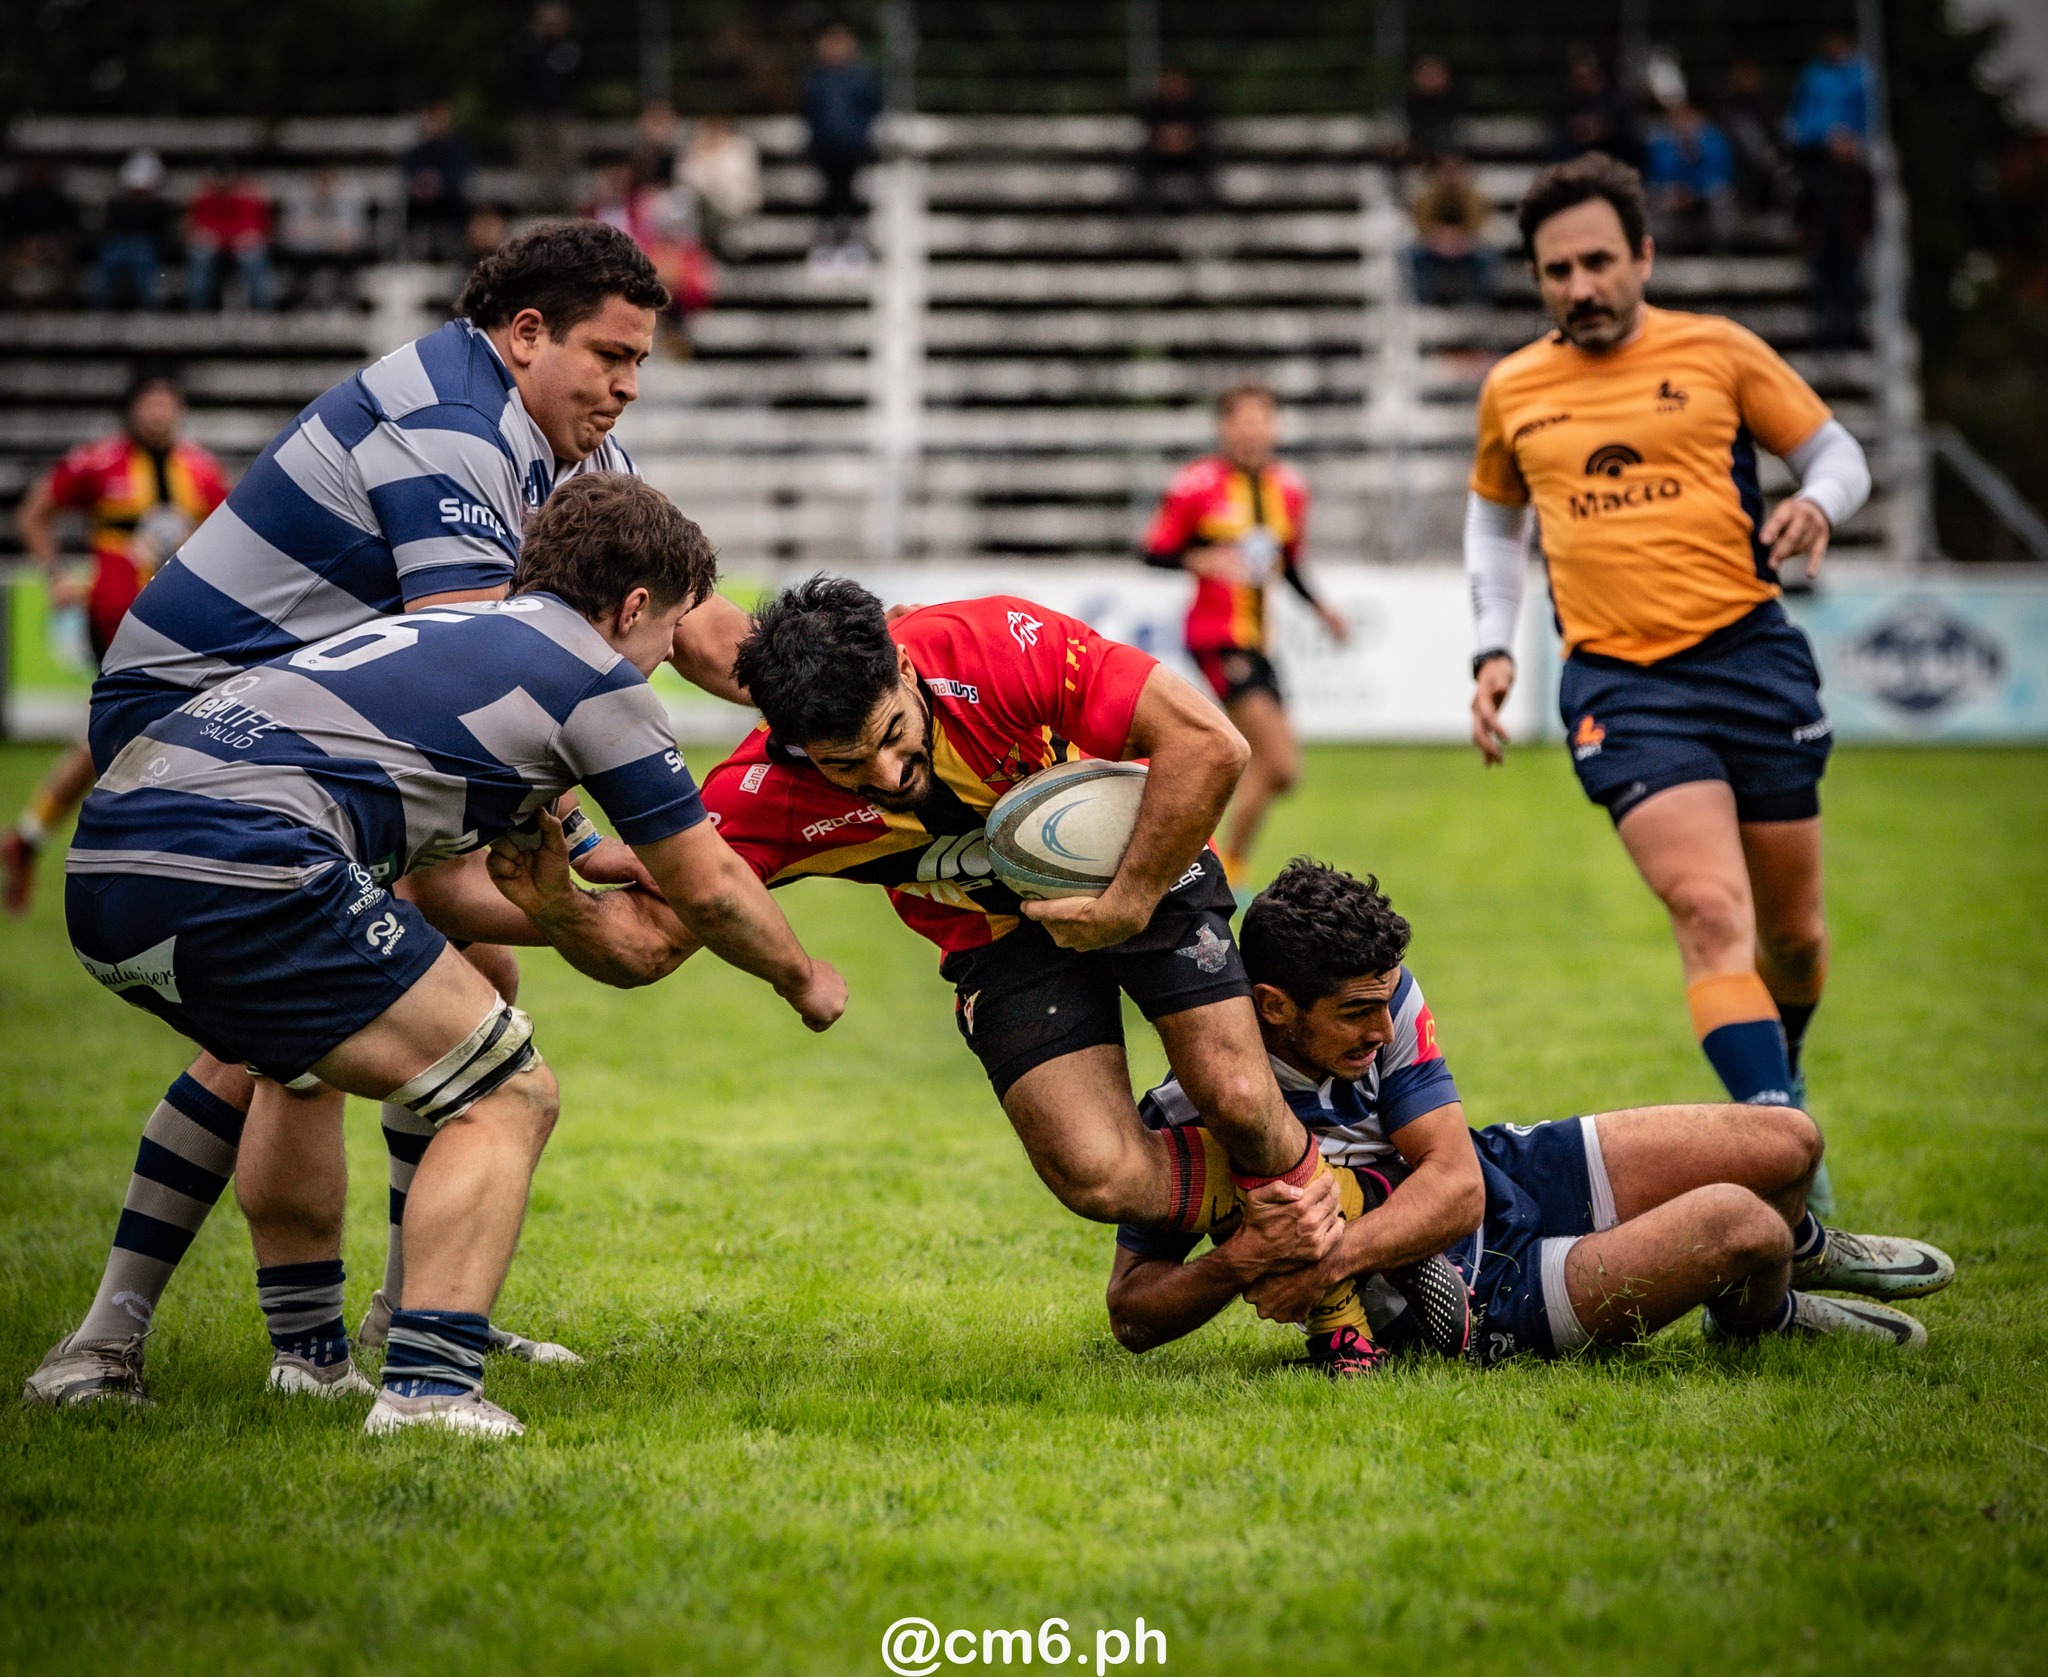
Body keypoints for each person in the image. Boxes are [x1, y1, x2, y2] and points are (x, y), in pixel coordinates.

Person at [24, 220, 759, 1408]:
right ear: (525, 335)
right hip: (208, 741)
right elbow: (502, 680)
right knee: (289, 1043)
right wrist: (577, 861)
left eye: (640, 361)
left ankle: (392, 1317)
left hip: (312, 742)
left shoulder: (565, 441)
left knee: (450, 998)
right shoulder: (449, 428)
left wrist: (838, 694)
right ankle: (136, 1345)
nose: (627, 385)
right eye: (609, 356)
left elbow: (684, 618)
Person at [59, 473, 846, 1437]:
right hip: (250, 857)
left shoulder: (467, 633)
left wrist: (572, 888)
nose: (665, 658)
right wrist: (804, 978)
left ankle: (279, 1359)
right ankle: (429, 1390)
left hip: (110, 856)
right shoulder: (596, 679)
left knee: (288, 1062)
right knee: (505, 1085)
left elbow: (452, 886)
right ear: (635, 606)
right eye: (672, 630)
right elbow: (713, 888)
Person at [507, 579, 1372, 1369]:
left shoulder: (993, 645)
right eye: (847, 764)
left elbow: (1211, 743)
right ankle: (1316, 1204)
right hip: (999, 940)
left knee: (1235, 1091)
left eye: (892, 733)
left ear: (906, 665)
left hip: (1136, 854)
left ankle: (1337, 1287)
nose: (886, 774)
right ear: (794, 745)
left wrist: (1129, 897)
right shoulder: (765, 793)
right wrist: (558, 905)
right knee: (1097, 1173)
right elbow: (650, 945)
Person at [1464, 155, 1874, 1216]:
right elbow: (1493, 523)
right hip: (1619, 682)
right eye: (1556, 270)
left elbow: (1836, 453)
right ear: (1537, 278)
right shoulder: (1512, 387)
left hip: (1750, 657)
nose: (1579, 285)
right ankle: (1790, 1151)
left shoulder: (1719, 349)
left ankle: (1776, 1085)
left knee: (1793, 935)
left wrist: (1819, 506)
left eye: (1599, 261)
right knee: (1704, 909)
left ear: (1642, 256)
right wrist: (1489, 648)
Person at [1108, 862, 1953, 1366]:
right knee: (1740, 1224)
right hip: (1481, 1296)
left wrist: (1328, 1260)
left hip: (1495, 1176)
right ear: (1274, 1006)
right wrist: (1239, 1264)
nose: (1382, 1025)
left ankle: (1798, 1259)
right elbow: (1133, 1311)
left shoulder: (1386, 994)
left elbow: (1459, 1185)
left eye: (1384, 1001)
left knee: (1787, 1143)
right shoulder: (1192, 1106)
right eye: (1356, 1012)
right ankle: (1763, 1316)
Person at [4, 367, 230, 917]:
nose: (157, 412)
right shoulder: (97, 463)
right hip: (115, 623)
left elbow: (229, 541)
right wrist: (55, 572)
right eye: (148, 402)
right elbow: (35, 514)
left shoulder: (199, 472)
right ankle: (160, 874)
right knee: (150, 739)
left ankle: (29, 839)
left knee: (118, 740)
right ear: (132, 409)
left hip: (179, 628)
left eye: (166, 403)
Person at [1142, 384, 1349, 889]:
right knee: (1273, 759)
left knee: (1276, 769)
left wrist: (1322, 609)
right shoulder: (1197, 485)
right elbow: (1154, 551)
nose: (1254, 429)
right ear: (1225, 427)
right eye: (1243, 420)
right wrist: (1202, 559)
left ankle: (1219, 868)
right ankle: (1218, 867)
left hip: (1259, 640)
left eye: (1263, 419)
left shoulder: (1290, 489)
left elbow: (1289, 563)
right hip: (1217, 637)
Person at [802, 22, 882, 263]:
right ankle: (826, 246)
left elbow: (873, 107)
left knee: (851, 196)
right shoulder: (817, 79)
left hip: (853, 148)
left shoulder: (860, 77)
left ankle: (852, 244)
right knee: (827, 197)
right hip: (824, 149)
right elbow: (807, 110)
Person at [1795, 128, 1874, 349]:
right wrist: (1809, 236)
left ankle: (1847, 336)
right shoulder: (1819, 175)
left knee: (1848, 292)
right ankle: (1823, 339)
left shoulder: (1861, 176)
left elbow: (1868, 211)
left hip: (1848, 244)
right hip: (1823, 244)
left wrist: (1859, 234)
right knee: (1823, 293)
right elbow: (1804, 208)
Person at [88, 149, 177, 311]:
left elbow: (164, 235)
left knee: (142, 257)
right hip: (119, 245)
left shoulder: (159, 208)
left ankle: (152, 308)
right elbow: (108, 231)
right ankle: (98, 307)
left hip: (147, 247)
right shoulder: (117, 206)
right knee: (110, 257)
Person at [1644, 102, 1737, 254]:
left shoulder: (1714, 139)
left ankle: (1721, 253)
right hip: (1674, 193)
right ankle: (1661, 254)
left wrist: (1697, 191)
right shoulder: (1660, 141)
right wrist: (1676, 190)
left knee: (1722, 198)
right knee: (1654, 200)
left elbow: (1722, 172)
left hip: (1705, 194)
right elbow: (1657, 172)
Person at [183, 161, 275, 311]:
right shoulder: (204, 195)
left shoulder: (249, 194)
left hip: (241, 244)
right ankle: (197, 309)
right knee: (200, 254)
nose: (222, 183)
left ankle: (263, 309)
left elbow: (259, 226)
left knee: (254, 254)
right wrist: (205, 236)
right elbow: (195, 227)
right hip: (214, 244)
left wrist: (246, 237)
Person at [1407, 152, 1495, 304]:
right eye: (1446, 171)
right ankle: (1423, 302)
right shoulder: (1426, 198)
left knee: (1486, 255)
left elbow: (1477, 224)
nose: (1450, 176)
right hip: (1434, 246)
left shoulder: (1475, 197)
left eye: (1454, 171)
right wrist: (1438, 239)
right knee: (1411, 253)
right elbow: (1422, 224)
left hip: (1466, 246)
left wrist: (1459, 240)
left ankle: (1478, 304)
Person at [277, 164, 371, 306]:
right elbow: (291, 233)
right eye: (320, 182)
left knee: (352, 256)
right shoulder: (299, 197)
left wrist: (317, 233)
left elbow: (355, 233)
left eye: (329, 182)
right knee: (295, 257)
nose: (324, 187)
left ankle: (351, 294)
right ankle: (295, 294)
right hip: (307, 251)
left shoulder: (350, 197)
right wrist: (328, 236)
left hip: (339, 251)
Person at [0, 153, 84, 308]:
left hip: (54, 249)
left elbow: (72, 231)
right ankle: (14, 307)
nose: (40, 173)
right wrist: (24, 246)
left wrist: (47, 245)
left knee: (68, 260)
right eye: (36, 169)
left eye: (44, 170)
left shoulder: (61, 201)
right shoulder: (15, 199)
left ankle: (56, 307)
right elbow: (7, 229)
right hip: (19, 248)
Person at [679, 115, 763, 259]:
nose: (713, 134)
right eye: (709, 129)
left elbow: (751, 193)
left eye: (718, 128)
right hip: (700, 218)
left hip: (734, 212)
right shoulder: (693, 150)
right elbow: (684, 187)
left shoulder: (741, 150)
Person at [399, 101, 474, 262]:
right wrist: (421, 184)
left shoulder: (457, 147)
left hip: (448, 200)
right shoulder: (417, 148)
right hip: (421, 201)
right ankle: (410, 253)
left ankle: (458, 252)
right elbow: (408, 171)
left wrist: (438, 184)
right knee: (407, 205)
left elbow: (460, 175)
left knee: (462, 206)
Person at [1136, 67, 1216, 212]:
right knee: (1142, 160)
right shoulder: (1153, 105)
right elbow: (1151, 133)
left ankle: (1207, 205)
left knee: (1208, 157)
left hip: (1190, 155)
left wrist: (1181, 141)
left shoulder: (1198, 105)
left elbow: (1200, 133)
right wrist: (1169, 141)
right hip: (1160, 154)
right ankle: (1146, 207)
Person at [1551, 47, 1643, 172]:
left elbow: (1623, 122)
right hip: (1578, 150)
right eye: (1579, 77)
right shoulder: (1567, 98)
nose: (1583, 81)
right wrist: (1579, 129)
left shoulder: (1616, 96)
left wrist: (1603, 128)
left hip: (1613, 148)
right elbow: (1561, 122)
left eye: (1587, 76)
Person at [1785, 32, 1871, 155]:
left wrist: (1854, 135)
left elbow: (1863, 110)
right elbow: (1800, 105)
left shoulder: (1857, 75)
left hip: (1845, 138)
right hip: (1810, 139)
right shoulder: (1813, 72)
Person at [1400, 55, 1463, 169]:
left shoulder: (1457, 103)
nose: (1430, 80)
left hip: (1450, 160)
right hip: (1416, 160)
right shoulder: (1407, 104)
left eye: (1435, 75)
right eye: (1426, 75)